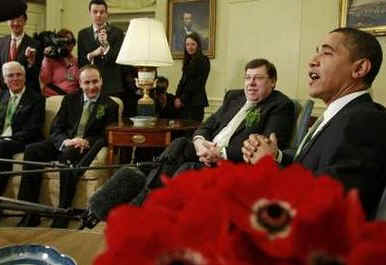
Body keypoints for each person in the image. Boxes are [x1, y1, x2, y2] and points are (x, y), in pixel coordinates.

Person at [242, 27, 386, 219]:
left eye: (326, 52)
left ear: (359, 69)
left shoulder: (365, 121)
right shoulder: (341, 116)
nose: (312, 61)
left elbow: (329, 206)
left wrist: (268, 166)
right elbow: (314, 172)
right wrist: (276, 156)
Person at [115, 58, 295, 192]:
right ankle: (147, 194)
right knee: (179, 145)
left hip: (232, 164)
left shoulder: (280, 105)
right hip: (208, 150)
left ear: (272, 81)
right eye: (248, 78)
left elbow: (264, 148)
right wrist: (200, 142)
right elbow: (207, 125)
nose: (251, 84)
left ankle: (155, 203)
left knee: (186, 169)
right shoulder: (234, 96)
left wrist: (221, 153)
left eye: (258, 78)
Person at [17, 64, 119, 228]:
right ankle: (30, 212)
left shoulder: (110, 105)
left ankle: (62, 213)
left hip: (82, 146)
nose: (92, 86)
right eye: (87, 83)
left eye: (95, 81)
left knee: (68, 157)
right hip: (64, 141)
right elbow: (56, 128)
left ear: (101, 81)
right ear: (80, 83)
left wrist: (85, 141)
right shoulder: (70, 99)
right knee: (32, 151)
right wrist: (65, 141)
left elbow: (105, 135)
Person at [0, 61, 44, 195]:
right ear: (4, 79)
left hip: (23, 140)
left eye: (19, 74)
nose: (15, 79)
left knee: (1, 146)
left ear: (25, 77)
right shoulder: (2, 96)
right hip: (3, 140)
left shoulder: (36, 98)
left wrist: (7, 138)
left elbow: (33, 129)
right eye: (10, 75)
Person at [77, 0, 124, 98]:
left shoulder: (117, 33)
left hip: (111, 86)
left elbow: (118, 61)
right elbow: (81, 63)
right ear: (90, 13)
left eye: (102, 12)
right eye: (95, 12)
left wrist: (106, 47)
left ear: (107, 13)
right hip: (89, 86)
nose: (98, 15)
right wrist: (92, 54)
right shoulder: (82, 34)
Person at [0, 13, 42, 93]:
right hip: (3, 94)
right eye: (12, 20)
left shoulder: (35, 45)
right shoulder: (1, 42)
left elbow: (38, 74)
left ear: (25, 22)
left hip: (26, 94)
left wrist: (31, 64)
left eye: (19, 20)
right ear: (7, 21)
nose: (16, 23)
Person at [174, 32, 210, 122]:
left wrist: (181, 99)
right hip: (184, 103)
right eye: (187, 44)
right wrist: (176, 97)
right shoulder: (188, 61)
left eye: (193, 44)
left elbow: (196, 84)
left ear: (198, 45)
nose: (190, 47)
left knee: (191, 132)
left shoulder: (204, 60)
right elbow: (182, 82)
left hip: (195, 103)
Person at [40, 28, 80, 97]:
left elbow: (79, 80)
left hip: (72, 98)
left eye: (71, 42)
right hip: (55, 97)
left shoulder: (76, 61)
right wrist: (47, 58)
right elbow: (45, 81)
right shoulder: (50, 60)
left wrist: (68, 62)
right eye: (65, 43)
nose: (69, 46)